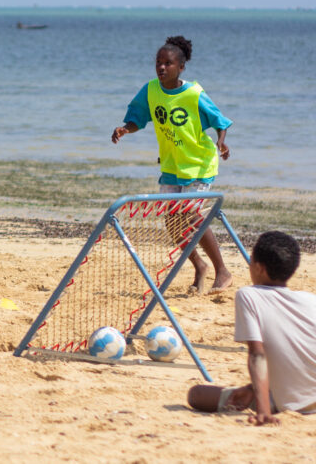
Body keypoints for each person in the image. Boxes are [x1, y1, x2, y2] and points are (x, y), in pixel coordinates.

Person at [111, 35, 233, 294]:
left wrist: (221, 142)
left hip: (200, 164)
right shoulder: (150, 90)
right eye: (158, 62)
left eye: (168, 63)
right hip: (171, 167)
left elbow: (220, 121)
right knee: (172, 222)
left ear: (181, 67)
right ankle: (199, 265)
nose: (162, 67)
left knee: (191, 215)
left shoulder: (194, 93)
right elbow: (137, 119)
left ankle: (222, 269)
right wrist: (124, 129)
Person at [187, 231, 316, 424]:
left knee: (196, 394)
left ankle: (259, 397)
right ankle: (256, 392)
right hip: (300, 395)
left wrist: (263, 410)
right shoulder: (310, 300)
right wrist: (253, 389)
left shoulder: (249, 296)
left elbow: (257, 355)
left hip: (286, 403)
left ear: (260, 268)